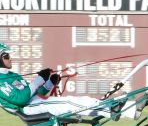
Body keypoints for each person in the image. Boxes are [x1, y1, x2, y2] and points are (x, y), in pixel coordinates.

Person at [0, 43, 129, 120]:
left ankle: (121, 110)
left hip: (34, 103)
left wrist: (49, 83)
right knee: (69, 102)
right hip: (27, 109)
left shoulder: (12, 75)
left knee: (77, 100)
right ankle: (112, 110)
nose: (10, 58)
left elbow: (33, 93)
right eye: (6, 56)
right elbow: (21, 99)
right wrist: (39, 79)